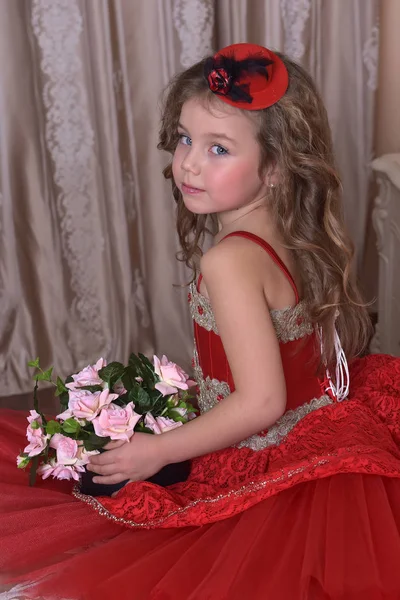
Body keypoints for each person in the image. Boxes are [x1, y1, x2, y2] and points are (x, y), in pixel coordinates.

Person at [1, 42, 400, 600]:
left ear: (279, 168)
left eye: (218, 149)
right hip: (322, 425)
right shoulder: (300, 235)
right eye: (186, 139)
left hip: (266, 449)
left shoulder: (230, 260)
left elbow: (262, 403)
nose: (188, 162)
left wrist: (160, 450)